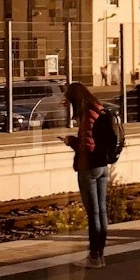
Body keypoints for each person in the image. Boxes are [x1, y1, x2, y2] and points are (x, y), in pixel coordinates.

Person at [59, 82, 117, 268]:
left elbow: (88, 146)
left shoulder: (87, 115)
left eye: (70, 100)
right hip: (103, 167)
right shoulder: (99, 109)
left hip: (89, 168)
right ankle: (100, 255)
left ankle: (94, 257)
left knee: (93, 213)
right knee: (101, 211)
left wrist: (71, 141)